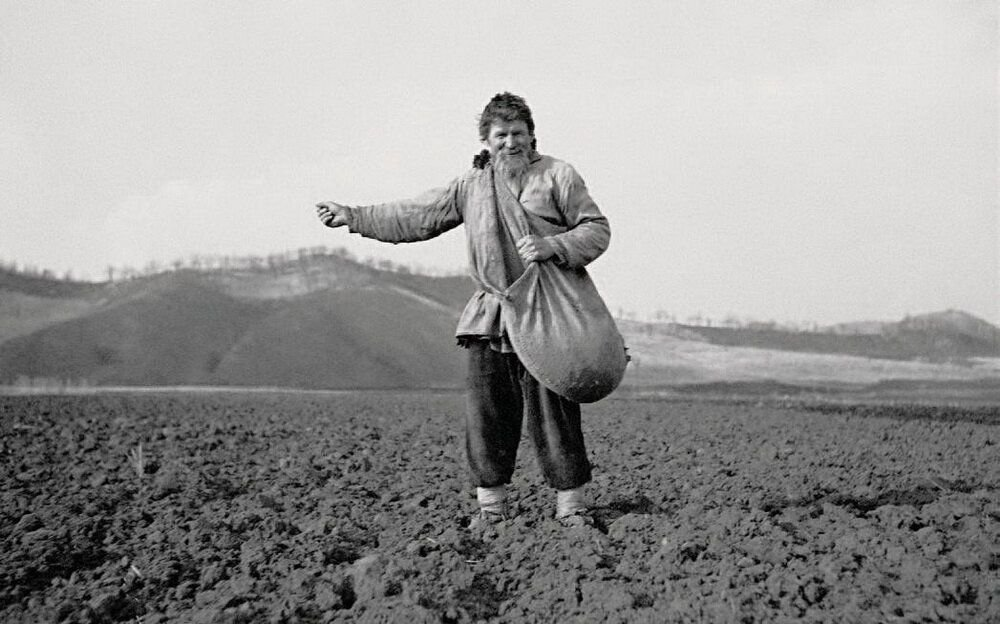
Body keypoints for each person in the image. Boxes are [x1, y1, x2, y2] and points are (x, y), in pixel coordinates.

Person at [315, 92, 610, 529]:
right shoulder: (471, 185)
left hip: (548, 314)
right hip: (490, 316)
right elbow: (415, 216)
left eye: (518, 134)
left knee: (555, 413)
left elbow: (596, 230)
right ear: (486, 141)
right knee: (488, 414)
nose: (510, 142)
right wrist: (354, 216)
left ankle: (572, 506)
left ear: (532, 137)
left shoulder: (558, 177)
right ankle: (491, 508)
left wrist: (554, 246)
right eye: (501, 135)